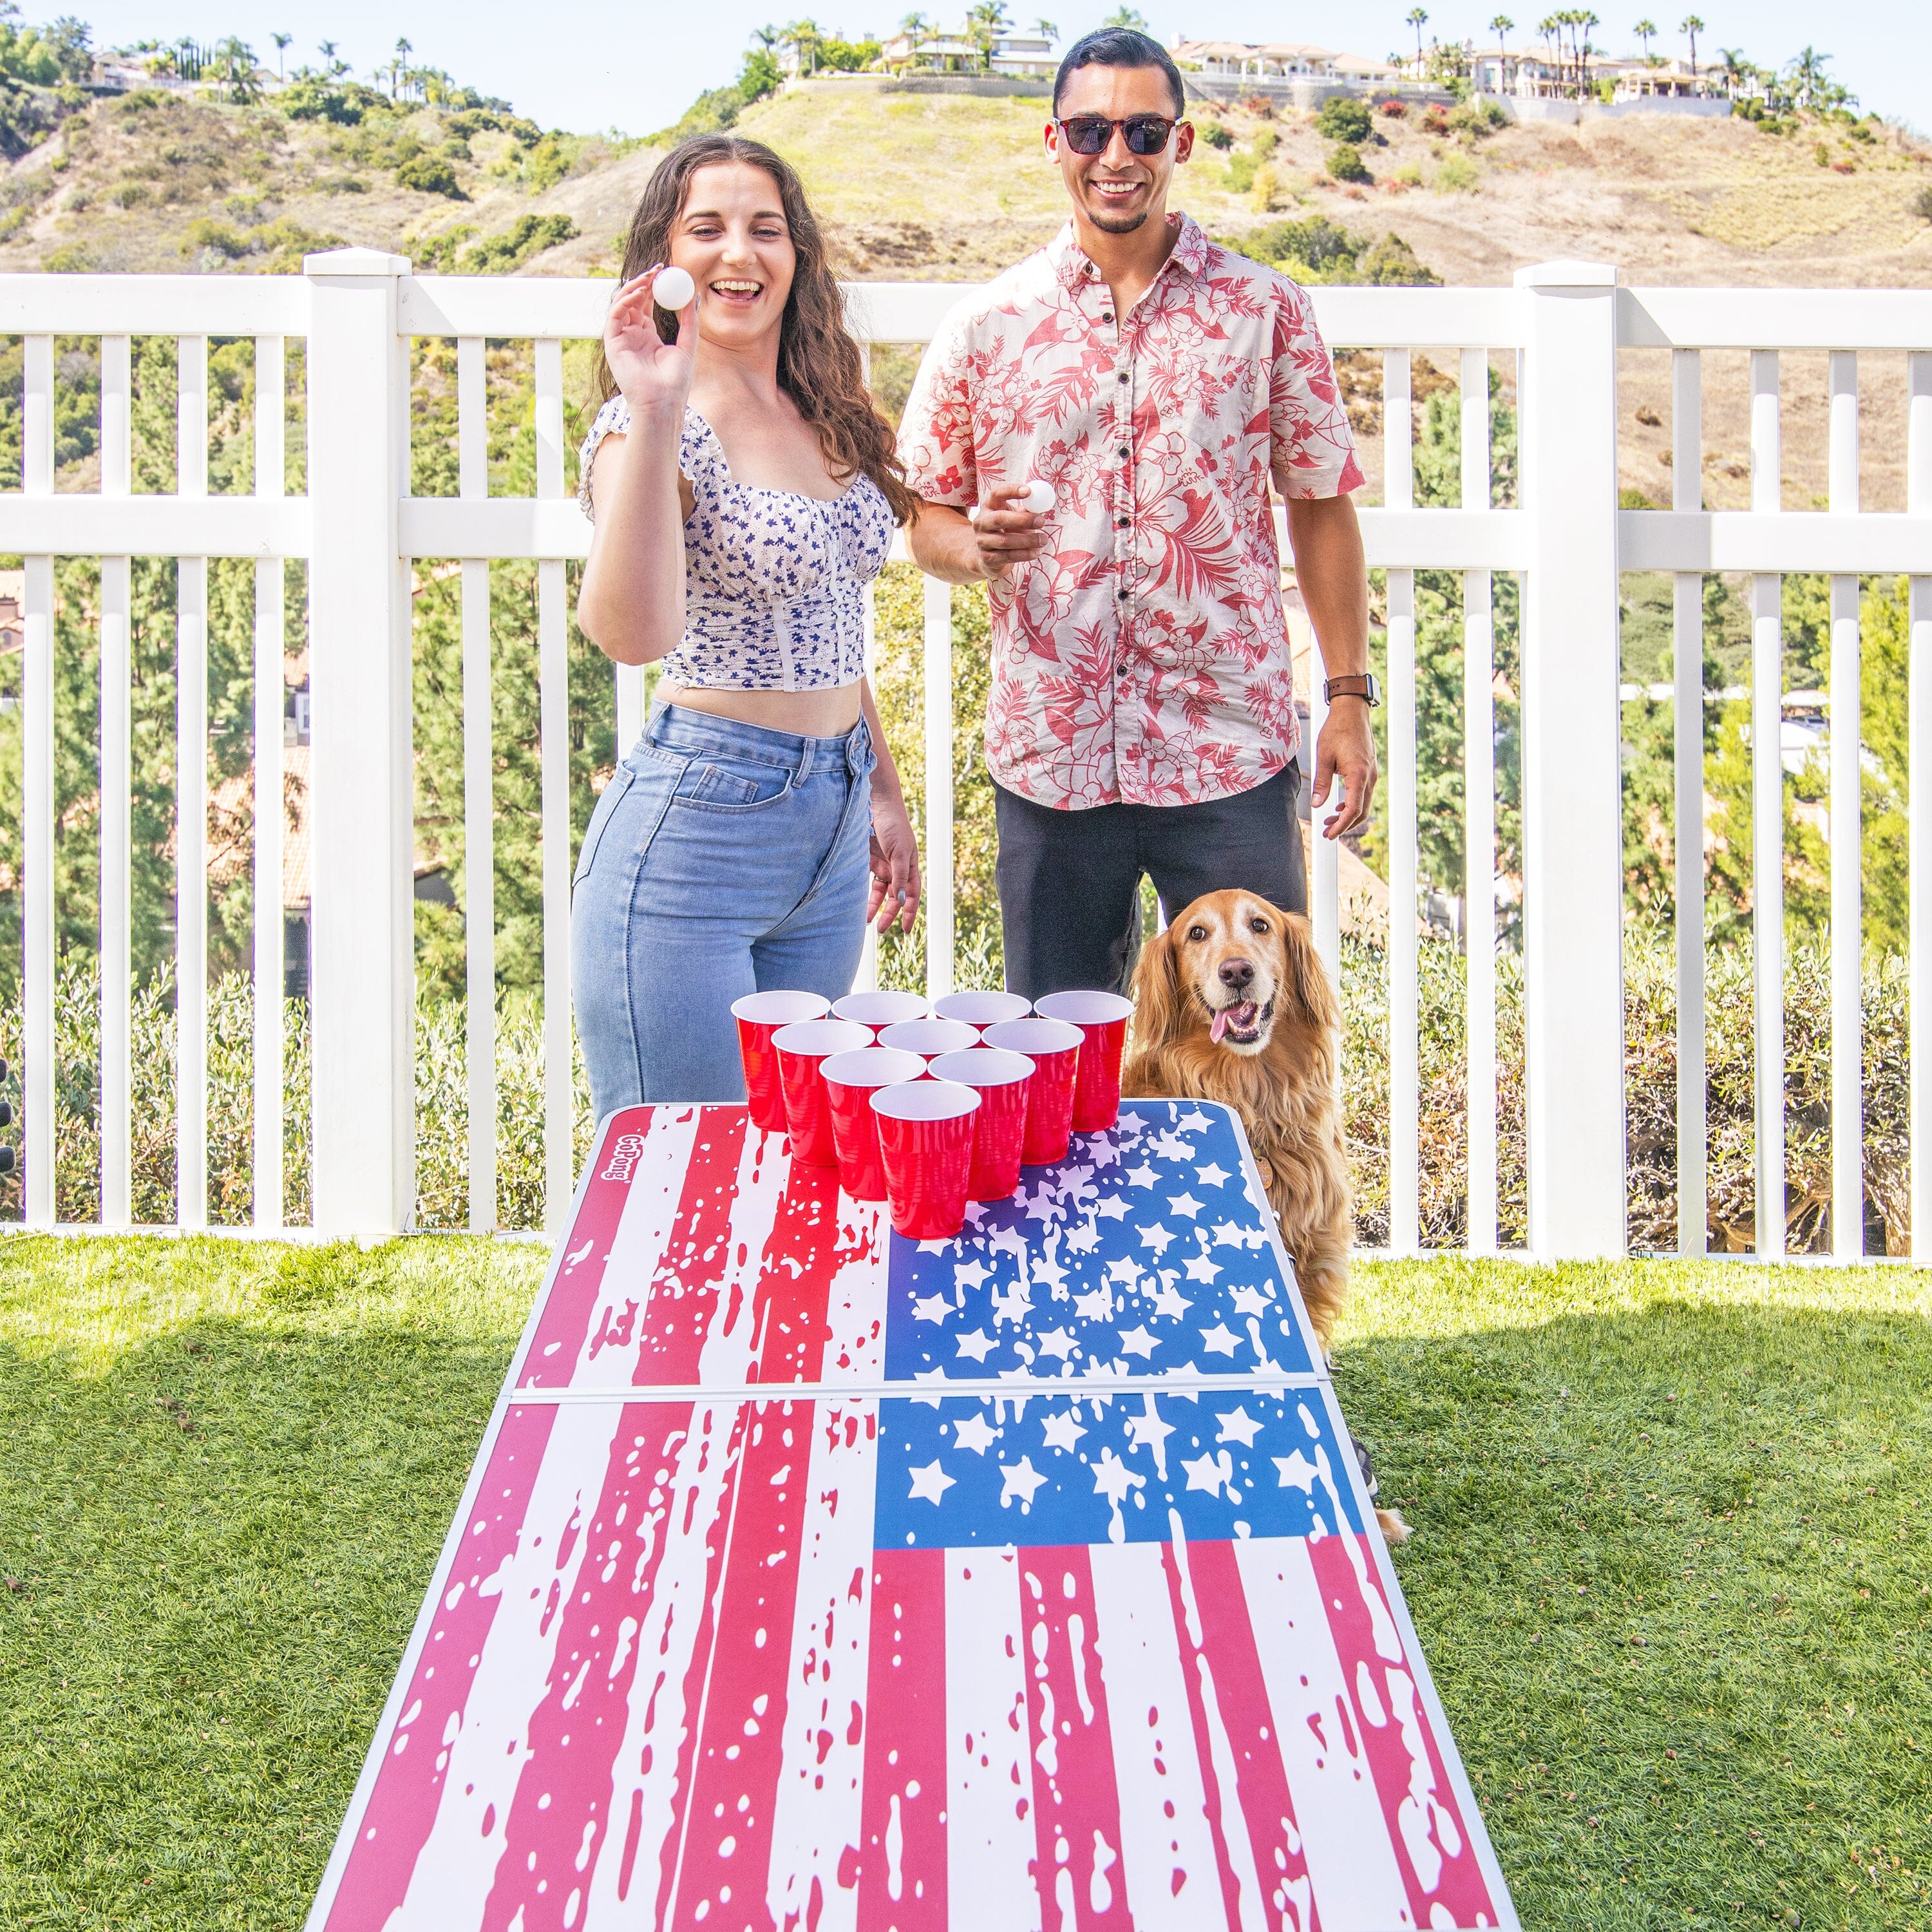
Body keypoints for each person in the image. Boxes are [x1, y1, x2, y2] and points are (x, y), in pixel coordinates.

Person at [898, 28, 1378, 998]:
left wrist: (1348, 698)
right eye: (1090, 130)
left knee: (1259, 1063)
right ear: (1053, 141)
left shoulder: (1266, 309)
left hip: (1229, 755)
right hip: (1053, 758)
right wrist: (973, 547)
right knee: (1057, 1068)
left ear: (1181, 144)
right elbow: (923, 519)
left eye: (1143, 130)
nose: (1115, 157)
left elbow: (1320, 505)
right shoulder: (985, 326)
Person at [572, 133, 922, 1115]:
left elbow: (831, 631)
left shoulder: (826, 413)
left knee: (790, 1166)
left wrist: (882, 795)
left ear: (798, 254)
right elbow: (629, 632)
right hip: (698, 844)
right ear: (665, 261)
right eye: (707, 228)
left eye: (766, 228)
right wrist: (653, 404)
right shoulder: (650, 427)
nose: (740, 253)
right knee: (681, 1188)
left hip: (831, 826)